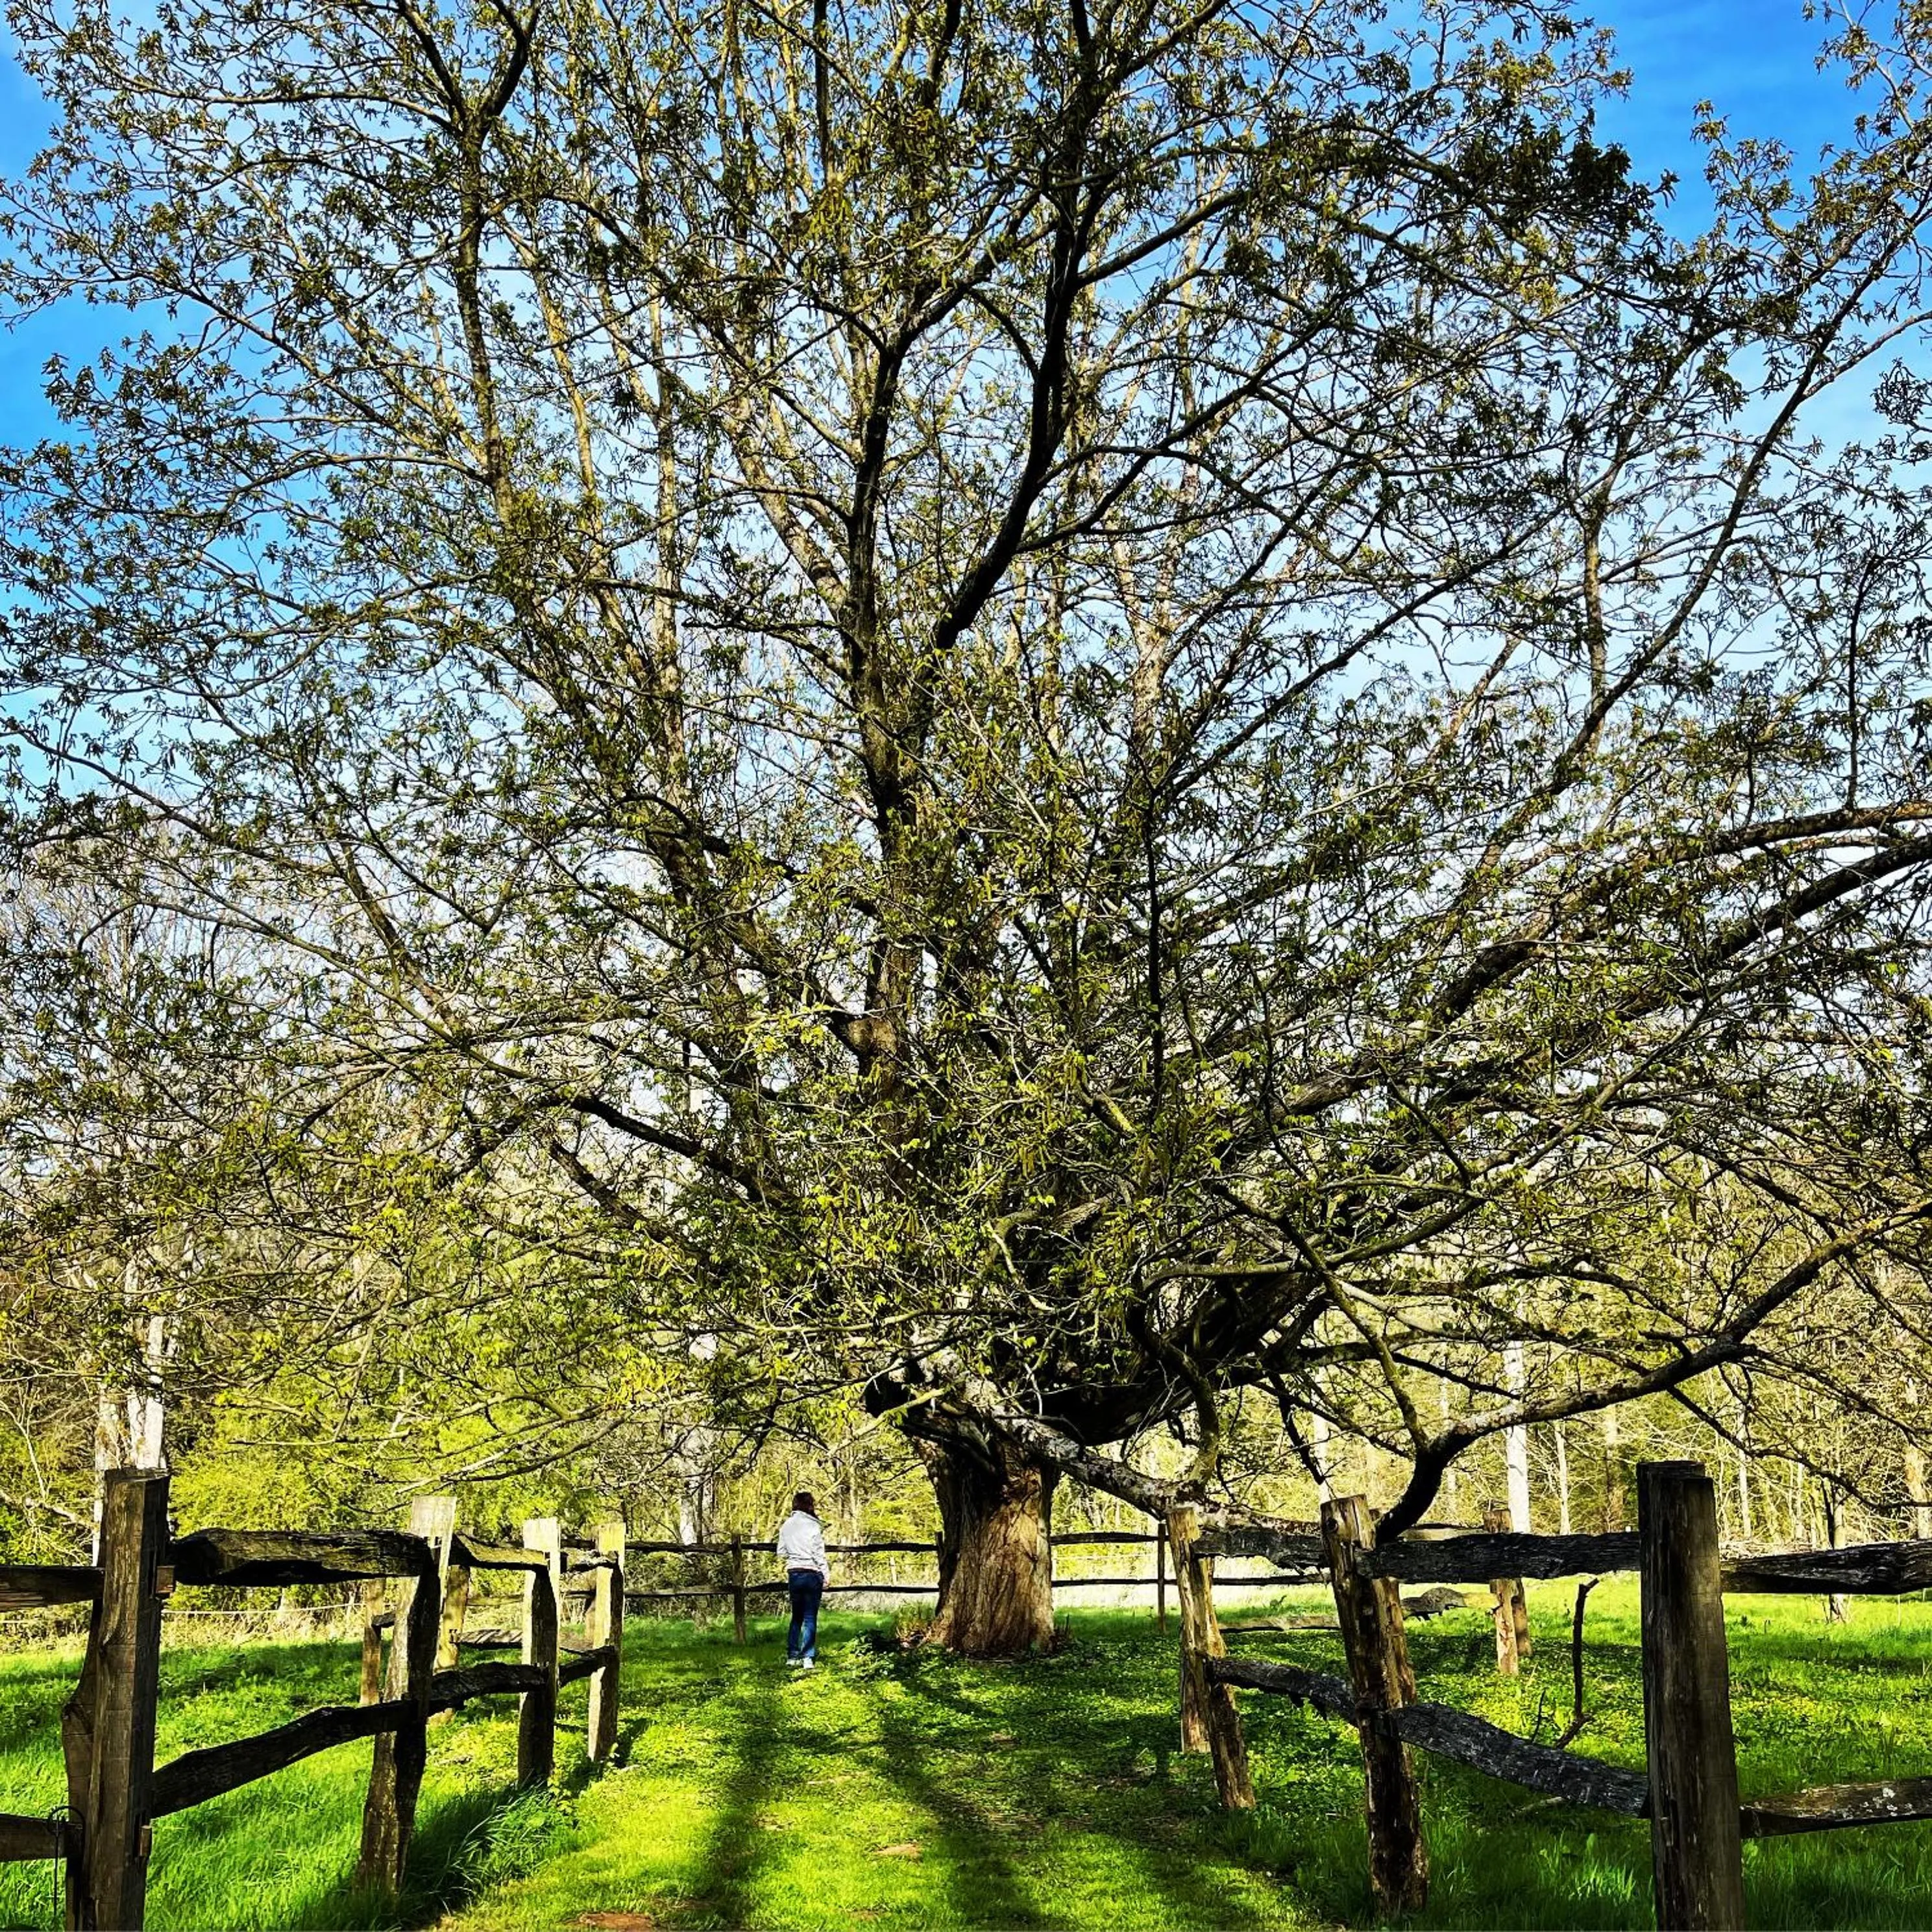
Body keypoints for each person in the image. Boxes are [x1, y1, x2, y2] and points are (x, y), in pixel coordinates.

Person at [776, 1490, 829, 1669]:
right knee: (810, 1617)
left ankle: (792, 1655)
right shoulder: (814, 1526)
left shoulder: (786, 1525)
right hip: (812, 1572)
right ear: (810, 1505)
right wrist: (826, 1575)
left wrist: (794, 1552)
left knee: (796, 1616)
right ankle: (807, 1657)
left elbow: (781, 1552)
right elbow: (819, 1554)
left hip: (794, 1573)